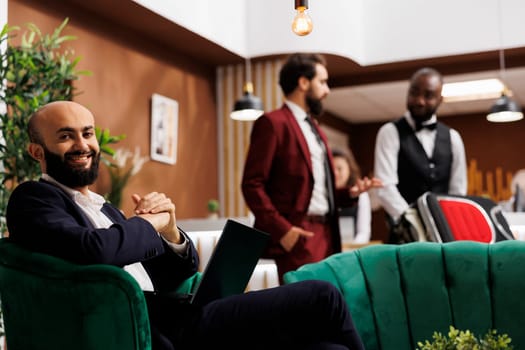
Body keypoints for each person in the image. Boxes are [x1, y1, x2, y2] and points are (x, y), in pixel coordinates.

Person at [6, 101, 365, 350]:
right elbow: (95, 250)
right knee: (323, 295)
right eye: (66, 136)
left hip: (183, 312)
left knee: (328, 347)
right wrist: (147, 223)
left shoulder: (107, 211)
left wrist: (171, 232)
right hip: (156, 329)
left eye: (88, 133)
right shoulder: (34, 199)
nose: (83, 144)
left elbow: (180, 269)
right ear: (37, 152)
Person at [241, 53, 382, 282]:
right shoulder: (272, 123)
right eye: (322, 82)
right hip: (298, 234)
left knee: (328, 304)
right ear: (303, 82)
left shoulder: (316, 129)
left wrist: (350, 194)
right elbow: (251, 185)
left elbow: (315, 190)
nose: (326, 91)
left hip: (328, 234)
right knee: (303, 309)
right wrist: (283, 230)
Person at [373, 67, 467, 243]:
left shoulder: (453, 138)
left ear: (440, 99)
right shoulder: (390, 132)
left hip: (444, 234)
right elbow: (385, 187)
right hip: (404, 235)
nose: (419, 101)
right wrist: (413, 222)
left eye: (429, 95)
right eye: (414, 93)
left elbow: (458, 191)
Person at [331, 149, 372, 244]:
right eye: (332, 169)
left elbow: (364, 232)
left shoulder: (360, 195)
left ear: (349, 170)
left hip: (350, 250)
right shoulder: (322, 195)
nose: (335, 173)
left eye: (339, 169)